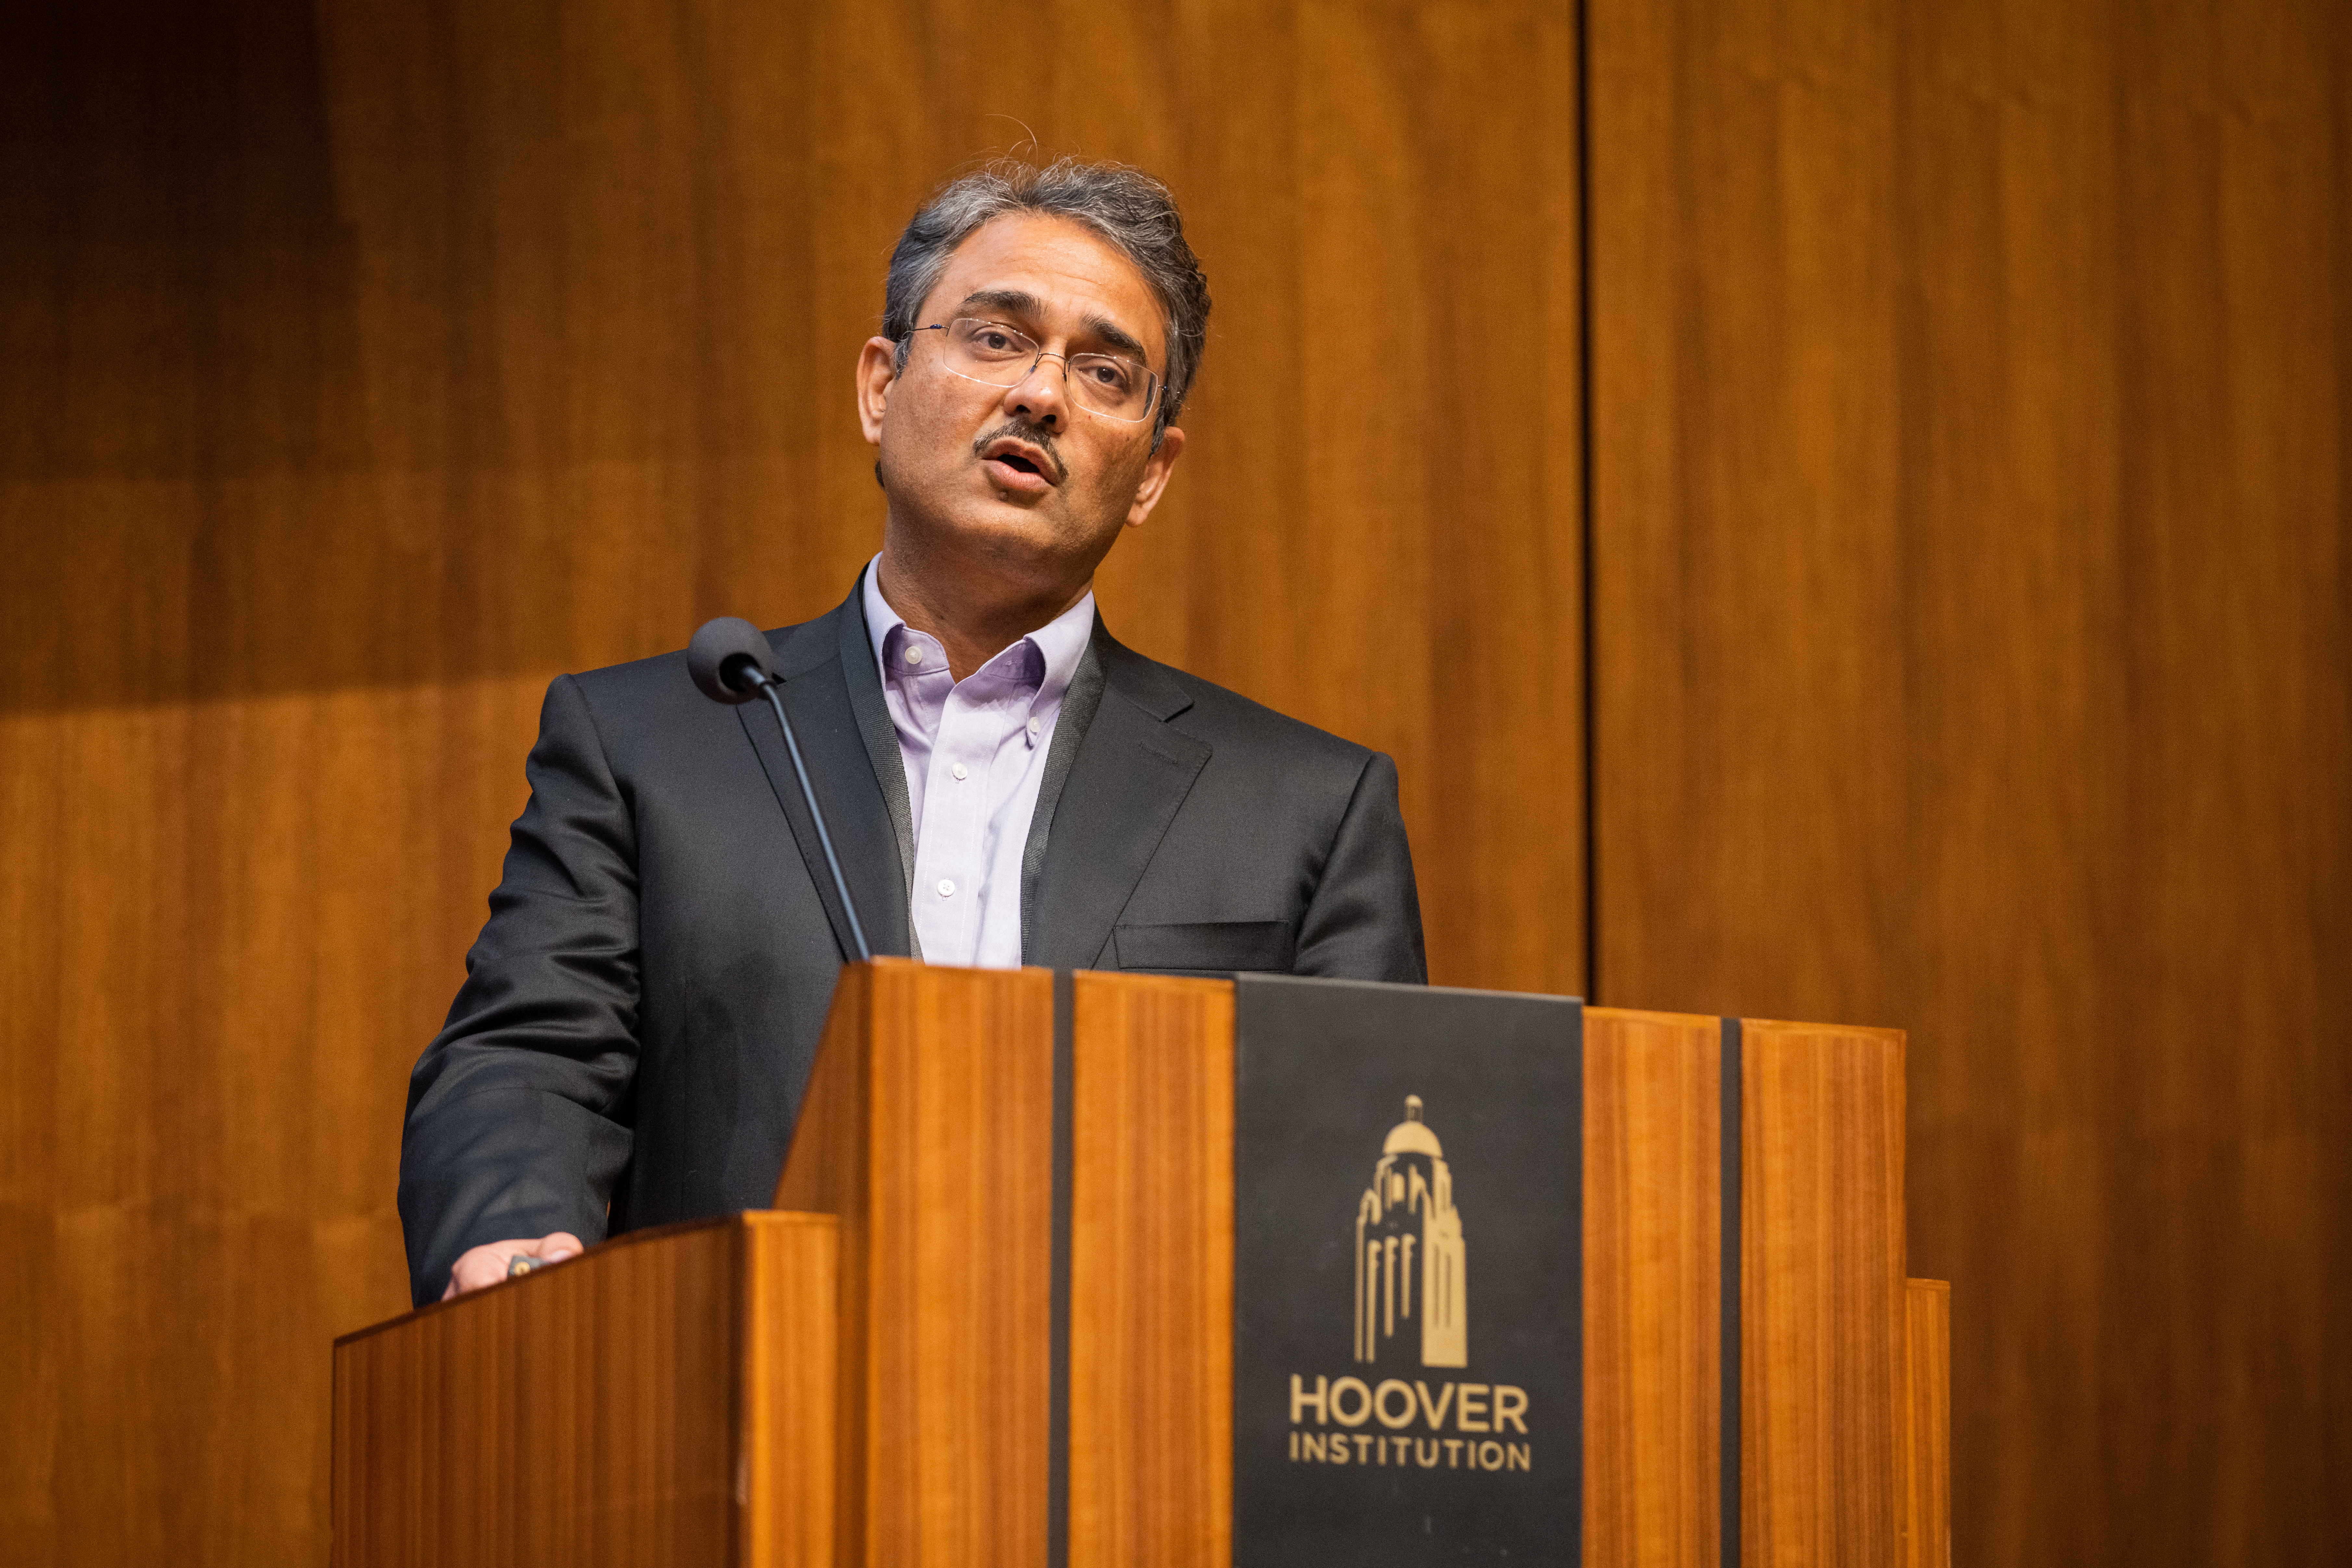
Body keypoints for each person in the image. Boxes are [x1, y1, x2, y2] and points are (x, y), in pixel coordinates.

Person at [399, 159, 1427, 1305]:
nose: (1042, 394)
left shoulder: (1302, 810)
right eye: (996, 338)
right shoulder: (656, 742)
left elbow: (1352, 1174)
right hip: (745, 1415)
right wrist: (515, 1238)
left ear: (1152, 473)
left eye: (1105, 371)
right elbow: (530, 1060)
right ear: (880, 388)